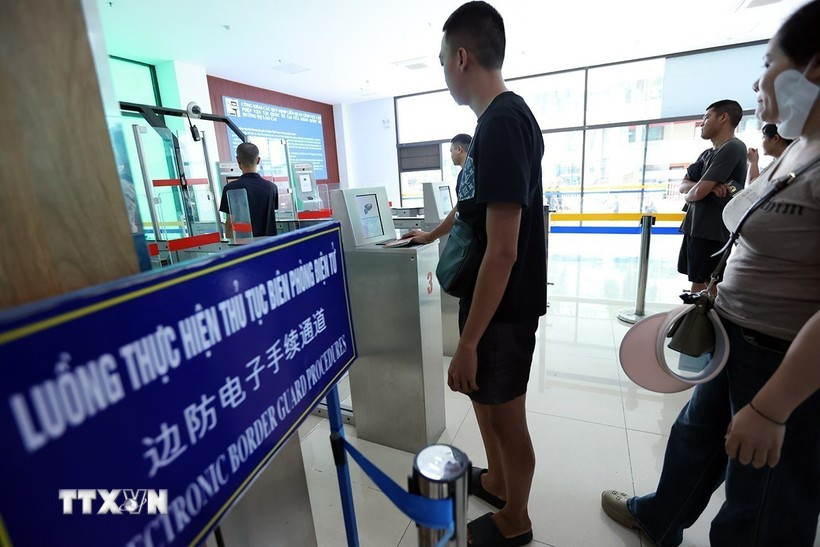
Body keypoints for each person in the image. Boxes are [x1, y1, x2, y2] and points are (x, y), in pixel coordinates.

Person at [602, 2, 820, 545]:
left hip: (781, 359)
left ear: (812, 68)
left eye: (769, 61)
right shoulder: (799, 150)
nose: (757, 79)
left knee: (763, 495)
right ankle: (661, 516)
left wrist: (772, 410)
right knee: (696, 434)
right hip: (733, 334)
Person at [405, 3, 546, 545]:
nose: (444, 73)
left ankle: (517, 519)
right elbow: (479, 217)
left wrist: (467, 342)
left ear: (461, 57)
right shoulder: (495, 123)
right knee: (484, 398)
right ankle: (498, 480)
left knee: (508, 416)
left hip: (504, 307)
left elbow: (504, 250)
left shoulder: (503, 124)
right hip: (496, 301)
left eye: (443, 61)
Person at [677, 100, 747, 294]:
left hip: (713, 230)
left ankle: (702, 324)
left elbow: (696, 192)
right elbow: (684, 186)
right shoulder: (707, 153)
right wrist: (701, 189)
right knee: (697, 281)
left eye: (706, 117)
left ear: (723, 118)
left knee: (706, 285)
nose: (702, 123)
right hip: (696, 228)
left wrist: (696, 191)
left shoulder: (732, 147)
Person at [219, 142, 278, 238]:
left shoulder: (230, 189)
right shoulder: (272, 187)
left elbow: (230, 224)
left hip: (246, 248)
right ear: (258, 160)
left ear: (238, 161)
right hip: (269, 246)